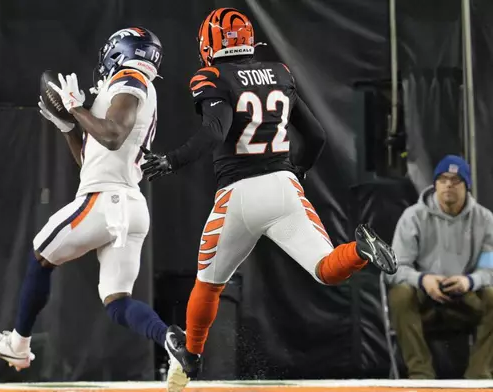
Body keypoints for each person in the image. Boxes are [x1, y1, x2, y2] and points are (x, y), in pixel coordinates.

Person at [139, 8, 398, 390]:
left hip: (239, 195)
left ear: (209, 46)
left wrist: (172, 159)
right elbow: (317, 136)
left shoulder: (212, 76)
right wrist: (300, 171)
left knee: (208, 285)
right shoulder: (279, 73)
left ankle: (191, 356)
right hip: (283, 185)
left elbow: (215, 130)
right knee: (326, 267)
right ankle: (360, 250)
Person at [0, 27, 170, 371]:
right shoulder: (134, 88)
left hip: (107, 200)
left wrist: (77, 108)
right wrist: (69, 127)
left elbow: (111, 136)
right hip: (130, 205)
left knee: (41, 252)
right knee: (117, 301)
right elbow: (92, 159)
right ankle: (170, 339)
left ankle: (17, 345)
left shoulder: (129, 79)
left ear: (119, 52)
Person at [386, 155, 493, 379]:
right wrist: (422, 280)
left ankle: (478, 377)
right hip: (425, 298)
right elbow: (395, 267)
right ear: (434, 184)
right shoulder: (413, 218)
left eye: (455, 180)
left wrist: (469, 281)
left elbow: (489, 268)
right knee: (400, 294)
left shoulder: (484, 220)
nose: (448, 185)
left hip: (466, 295)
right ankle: (421, 375)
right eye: (443, 179)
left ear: (467, 186)